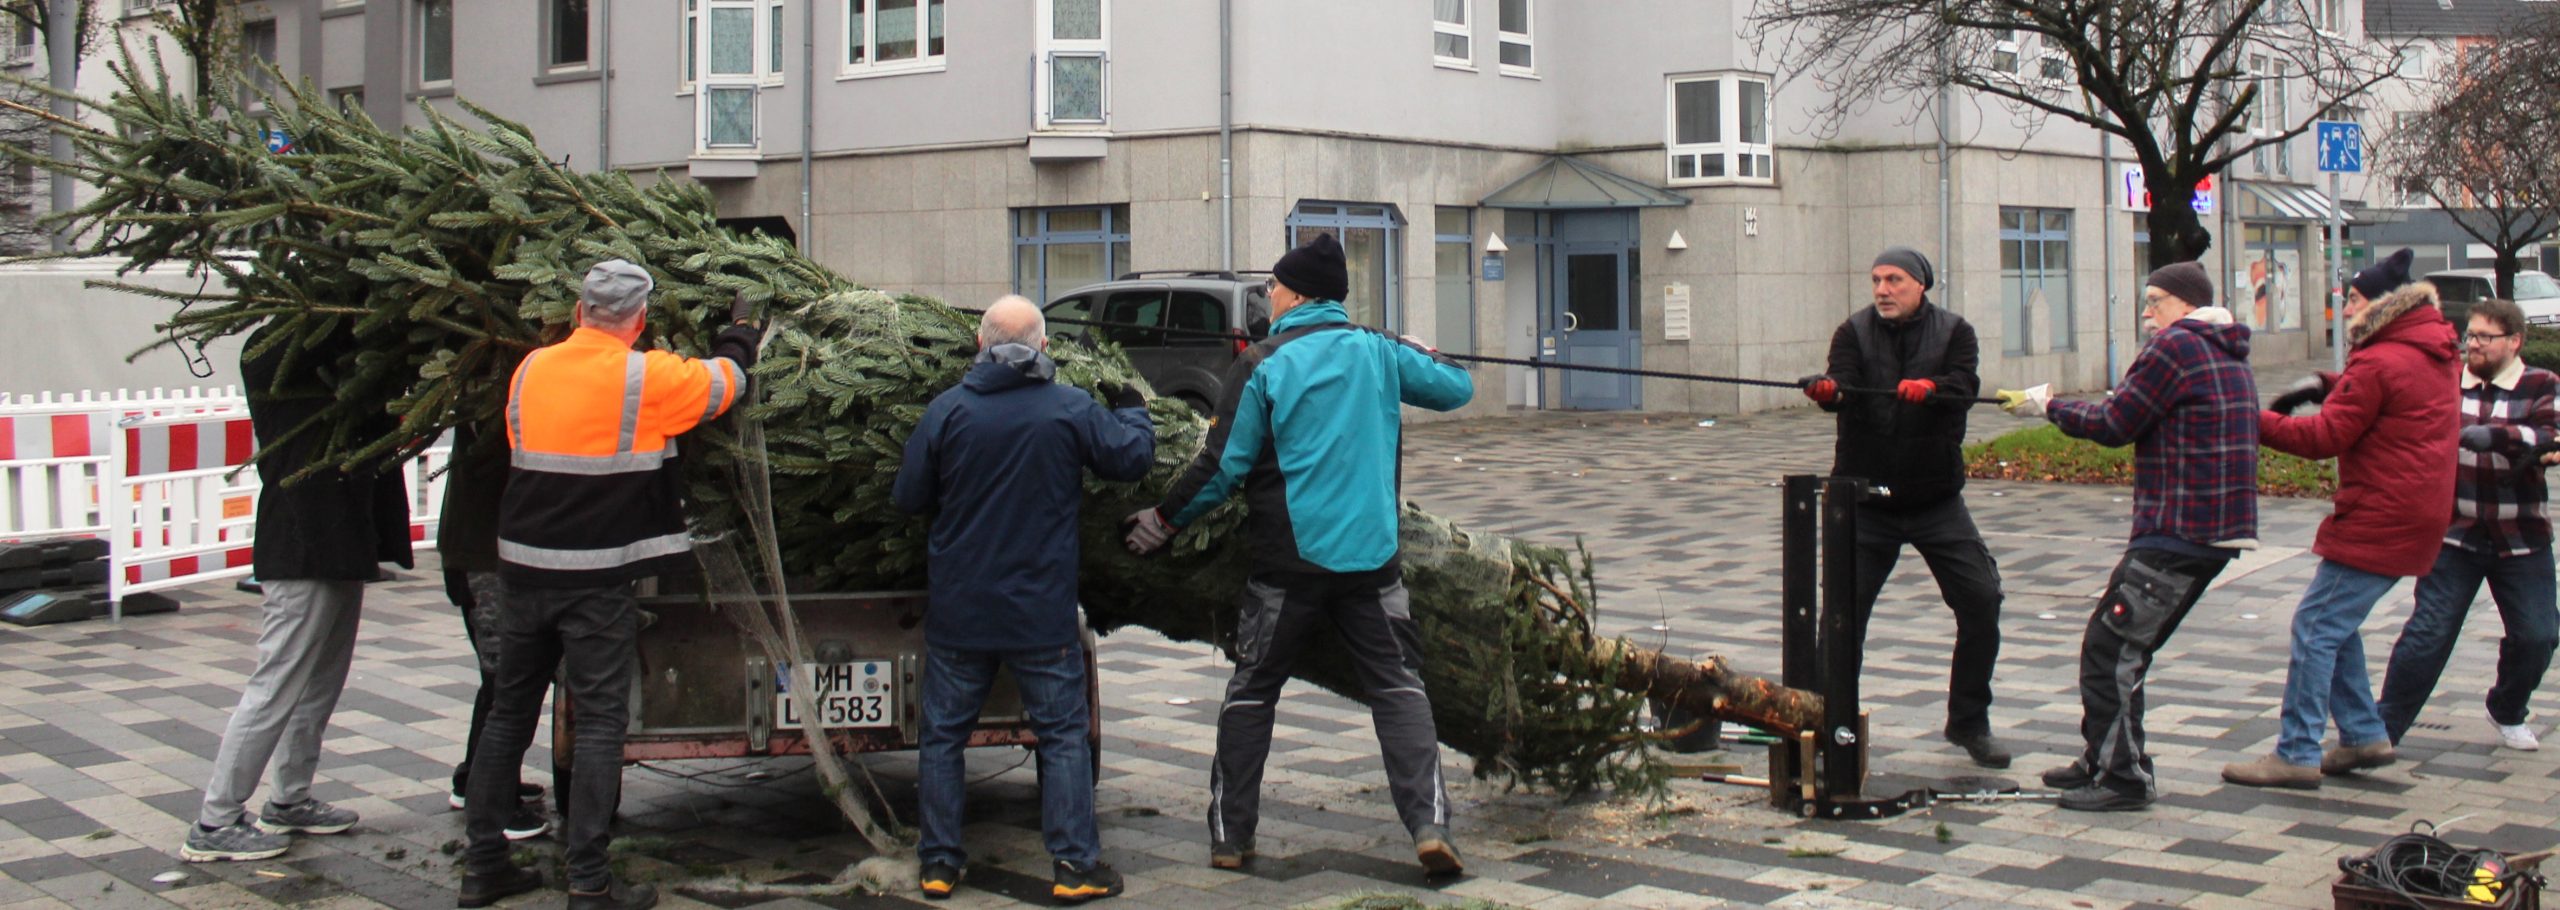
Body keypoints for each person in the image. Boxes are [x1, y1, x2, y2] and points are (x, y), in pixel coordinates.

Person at [1122, 233, 1474, 875]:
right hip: (1373, 566)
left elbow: (1222, 467)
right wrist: (1411, 345)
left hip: (1287, 569)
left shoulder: (1263, 362)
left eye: (1274, 286)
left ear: (1300, 296)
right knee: (1399, 689)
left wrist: (1162, 522)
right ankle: (1430, 827)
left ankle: (1232, 838)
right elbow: (1456, 387)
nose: (1269, 295)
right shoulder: (1378, 350)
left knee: (1253, 691)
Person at [456, 260, 759, 910]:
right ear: (640, 320)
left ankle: (482, 866)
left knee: (509, 713)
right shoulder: (646, 376)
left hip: (523, 570)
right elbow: (725, 384)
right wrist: (739, 330)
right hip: (594, 580)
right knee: (599, 723)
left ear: (579, 312)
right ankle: (589, 881)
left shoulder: (531, 369)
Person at [892, 295, 1156, 903]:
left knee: (943, 737)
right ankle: (1074, 867)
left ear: (979, 345)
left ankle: (938, 865)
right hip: (1041, 612)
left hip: (961, 611)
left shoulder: (948, 411)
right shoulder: (1069, 408)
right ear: (1043, 347)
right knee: (1062, 736)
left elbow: (908, 496)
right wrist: (1134, 410)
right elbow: (1131, 458)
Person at [1996, 261, 2258, 811]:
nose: (2145, 313)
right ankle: (2104, 757)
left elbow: (2115, 423)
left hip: (2177, 530)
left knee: (2111, 649)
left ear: (2185, 303)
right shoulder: (2225, 347)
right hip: (2211, 531)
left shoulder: (2176, 346)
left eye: (2154, 300)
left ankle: (2122, 779)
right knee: (2122, 647)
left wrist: (2049, 405)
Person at [179, 323, 415, 863]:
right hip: (301, 544)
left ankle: (289, 798)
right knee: (278, 683)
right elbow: (329, 340)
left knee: (320, 684)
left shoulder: (332, 357)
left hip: (343, 542)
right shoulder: (278, 350)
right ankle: (216, 820)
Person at [2224, 248, 2457, 790]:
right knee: (2333, 622)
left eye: (2353, 299)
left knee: (2314, 626)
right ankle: (2362, 735)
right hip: (2415, 510)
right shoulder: (2431, 347)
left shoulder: (2380, 360)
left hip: (2381, 514)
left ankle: (2296, 751)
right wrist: (2331, 386)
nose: (2345, 308)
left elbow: (2326, 437)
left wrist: (2249, 419)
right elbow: (2395, 400)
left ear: (2383, 306)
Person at [1796, 246, 2011, 769]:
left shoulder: (1955, 332)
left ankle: (1968, 722)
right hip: (1865, 501)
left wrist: (1932, 388)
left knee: (1981, 600)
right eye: (1876, 280)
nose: (1882, 290)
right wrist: (1828, 392)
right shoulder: (1852, 331)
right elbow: (1843, 384)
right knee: (1841, 618)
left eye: (1893, 279)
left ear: (1920, 285)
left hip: (1936, 499)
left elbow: (1964, 386)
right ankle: (1825, 723)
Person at [2375, 296, 2559, 752]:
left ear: (2514, 342)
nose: (2473, 344)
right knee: (2427, 634)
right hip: (2453, 534)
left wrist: (2497, 437)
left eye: (2485, 337)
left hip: (2521, 536)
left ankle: (2507, 708)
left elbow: (2551, 433)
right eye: (2470, 335)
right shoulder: (2447, 381)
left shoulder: (2540, 384)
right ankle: (2380, 732)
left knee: (2538, 636)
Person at [434, 421, 553, 841]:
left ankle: (475, 779)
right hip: (485, 558)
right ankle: (494, 804)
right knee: (507, 681)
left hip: (482, 552)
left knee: (501, 679)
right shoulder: (497, 408)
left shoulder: (492, 401)